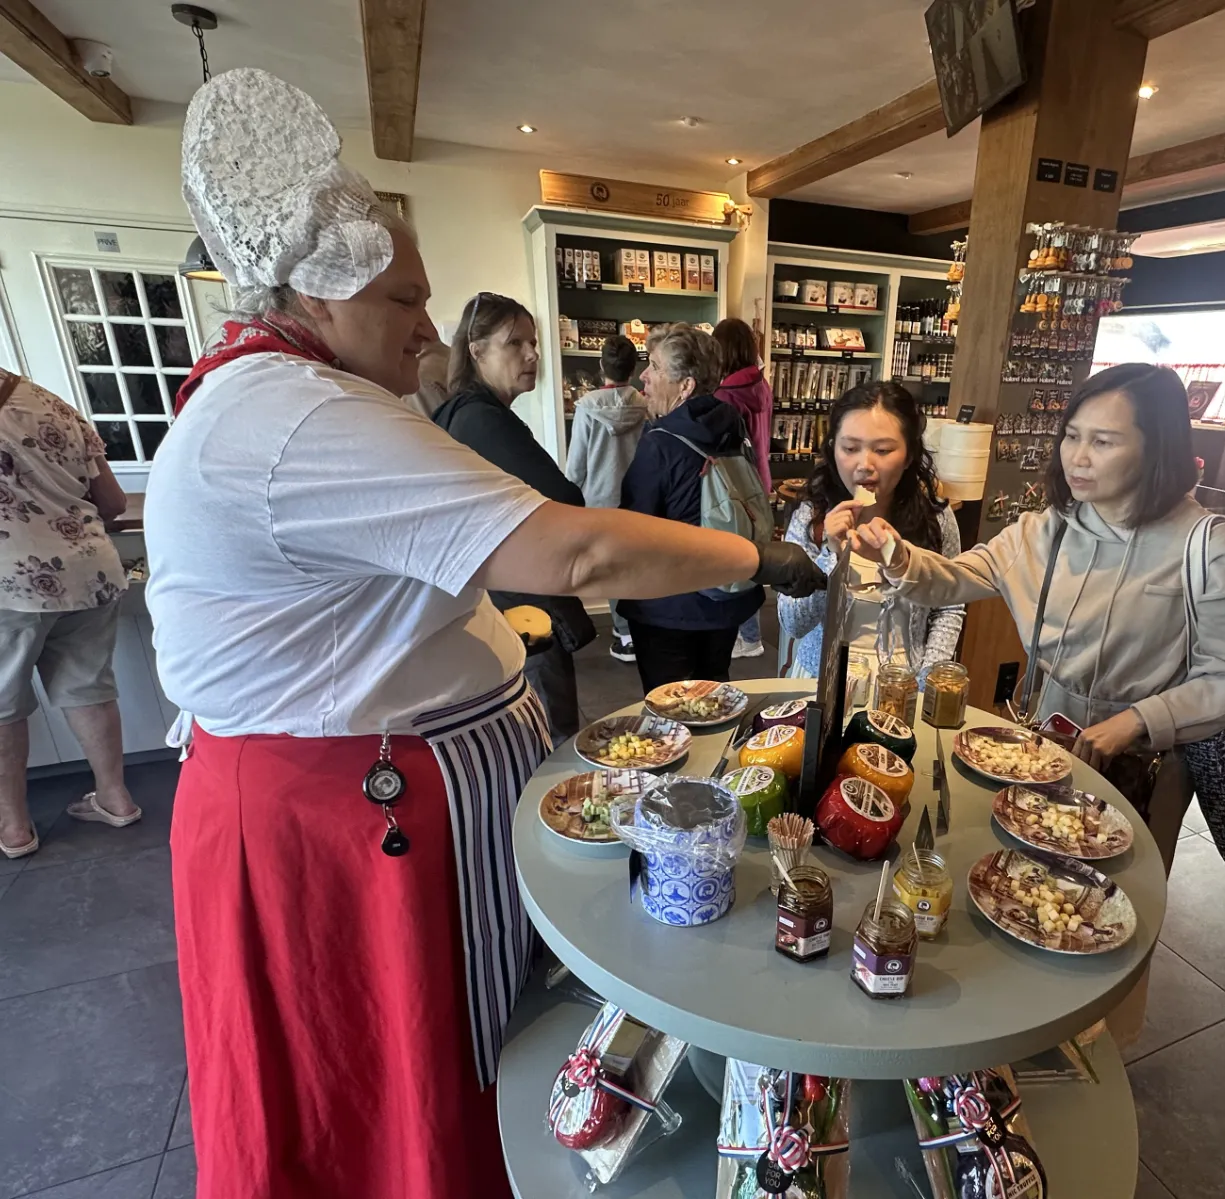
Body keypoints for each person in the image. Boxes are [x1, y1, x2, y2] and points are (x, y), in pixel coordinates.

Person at [149, 69, 823, 1199]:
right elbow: (580, 554)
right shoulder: (297, 416)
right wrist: (756, 556)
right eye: (403, 298)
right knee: (386, 1065)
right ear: (317, 297)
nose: (425, 330)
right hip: (349, 811)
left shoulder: (292, 397)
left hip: (388, 779)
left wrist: (478, 612)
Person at [851, 362, 1225, 868]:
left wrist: (1135, 721)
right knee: (1029, 878)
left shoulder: (1207, 546)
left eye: (1103, 442)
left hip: (1144, 760)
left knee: (1113, 889)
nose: (1078, 458)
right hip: (1044, 739)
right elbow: (959, 577)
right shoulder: (1046, 529)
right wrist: (896, 555)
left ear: (1157, 449)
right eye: (1072, 436)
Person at [432, 291, 593, 745]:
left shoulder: (463, 413)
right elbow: (563, 499)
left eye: (534, 341)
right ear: (476, 350)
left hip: (499, 605)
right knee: (552, 742)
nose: (532, 354)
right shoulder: (481, 420)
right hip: (521, 608)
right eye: (515, 343)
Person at [0, 370, 142, 858]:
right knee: (88, 686)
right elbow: (113, 502)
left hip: (9, 582)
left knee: (1, 704)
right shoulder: (49, 402)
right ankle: (115, 798)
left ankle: (15, 827)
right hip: (88, 570)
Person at [779, 382, 963, 682]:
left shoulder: (935, 519)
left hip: (901, 685)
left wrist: (924, 681)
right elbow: (794, 623)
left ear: (908, 455)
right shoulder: (813, 517)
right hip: (819, 682)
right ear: (833, 449)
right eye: (850, 448)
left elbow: (949, 606)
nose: (865, 465)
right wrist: (832, 555)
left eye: (883, 450)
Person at [618, 323, 766, 691]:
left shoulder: (660, 444)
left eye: (654, 366)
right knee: (714, 694)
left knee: (666, 706)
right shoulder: (734, 429)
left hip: (668, 606)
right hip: (726, 593)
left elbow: (633, 528)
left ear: (685, 386)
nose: (644, 376)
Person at [566, 334, 648, 663]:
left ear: (602, 367)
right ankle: (638, 630)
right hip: (639, 499)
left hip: (600, 502)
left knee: (612, 571)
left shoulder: (586, 407)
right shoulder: (646, 405)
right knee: (638, 566)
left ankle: (624, 633)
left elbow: (576, 467)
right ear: (634, 368)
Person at [713, 318, 773, 660]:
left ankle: (748, 636)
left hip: (736, 487)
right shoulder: (760, 386)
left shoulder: (725, 396)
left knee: (735, 563)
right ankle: (750, 634)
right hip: (760, 479)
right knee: (750, 558)